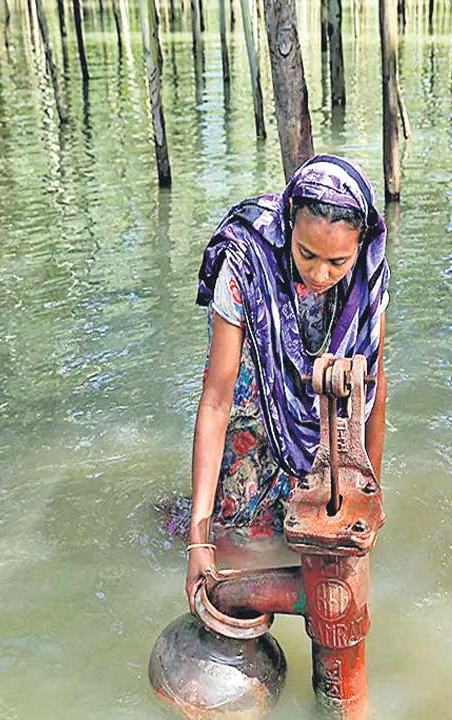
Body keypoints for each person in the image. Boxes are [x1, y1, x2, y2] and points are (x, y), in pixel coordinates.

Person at [182, 155, 391, 604]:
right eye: (306, 254)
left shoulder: (367, 276)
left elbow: (371, 382)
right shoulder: (244, 263)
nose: (319, 275)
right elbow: (216, 400)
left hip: (316, 420)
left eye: (337, 261)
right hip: (249, 416)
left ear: (360, 246)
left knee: (306, 532)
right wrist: (199, 539)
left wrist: (369, 488)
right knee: (235, 535)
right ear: (288, 225)